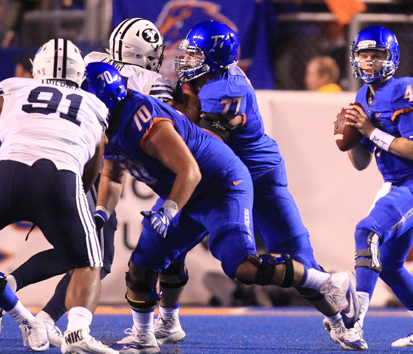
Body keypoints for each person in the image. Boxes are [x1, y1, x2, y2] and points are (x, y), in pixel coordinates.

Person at [83, 61, 359, 354]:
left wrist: (169, 209)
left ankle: (329, 283)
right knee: (142, 263)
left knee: (243, 266)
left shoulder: (148, 117)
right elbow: (112, 175)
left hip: (223, 183)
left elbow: (190, 169)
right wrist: (101, 213)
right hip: (189, 189)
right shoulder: (110, 122)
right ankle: (144, 335)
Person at [149, 20, 363, 351]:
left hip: (255, 176)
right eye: (188, 54)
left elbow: (202, 143)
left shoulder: (225, 89)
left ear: (217, 58)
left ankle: (338, 321)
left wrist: (167, 109)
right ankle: (168, 318)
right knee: (166, 241)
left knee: (298, 259)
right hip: (215, 178)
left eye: (196, 55)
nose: (187, 61)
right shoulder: (205, 78)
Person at [0, 17, 172, 348]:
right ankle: (46, 318)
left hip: (74, 156)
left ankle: (19, 293)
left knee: (84, 252)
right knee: (95, 258)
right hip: (96, 161)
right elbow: (164, 128)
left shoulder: (93, 61)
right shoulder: (154, 82)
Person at [0, 38, 118, 354]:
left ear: (38, 68)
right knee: (89, 262)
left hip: (7, 174)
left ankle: (15, 306)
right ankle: (76, 333)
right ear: (79, 73)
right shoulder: (94, 105)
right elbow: (92, 169)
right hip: (61, 179)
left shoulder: (15, 89)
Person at [338, 26, 413, 350]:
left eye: (377, 55)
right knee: (388, 265)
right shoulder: (361, 97)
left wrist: (369, 130)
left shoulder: (407, 89)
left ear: (391, 58)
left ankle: (353, 325)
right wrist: (348, 139)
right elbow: (361, 163)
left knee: (366, 232)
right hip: (395, 185)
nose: (369, 61)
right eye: (364, 54)